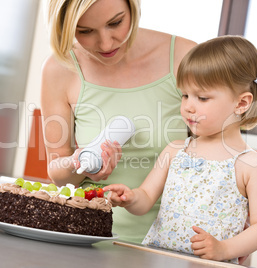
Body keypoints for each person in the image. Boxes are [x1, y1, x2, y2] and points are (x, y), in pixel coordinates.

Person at [104, 36, 257, 264]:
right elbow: (145, 198)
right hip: (158, 260)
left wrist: (224, 249)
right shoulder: (175, 151)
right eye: (185, 95)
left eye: (202, 97)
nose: (188, 106)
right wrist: (130, 197)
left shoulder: (250, 164)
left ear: (242, 103)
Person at [40, 0, 197, 243]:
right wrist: (80, 163)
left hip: (174, 243)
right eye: (85, 31)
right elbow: (57, 173)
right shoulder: (60, 68)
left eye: (115, 23)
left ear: (133, 8)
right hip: (86, 240)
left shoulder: (185, 57)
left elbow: (223, 154)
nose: (105, 43)